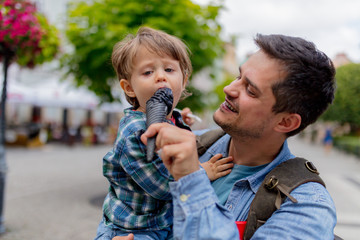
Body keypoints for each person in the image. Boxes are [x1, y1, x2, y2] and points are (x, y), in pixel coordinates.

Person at [138, 34, 337, 239]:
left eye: (250, 90)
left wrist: (191, 179)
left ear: (286, 122)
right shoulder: (187, 143)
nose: (229, 89)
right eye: (238, 77)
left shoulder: (307, 207)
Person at [95, 27, 233, 240]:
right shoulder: (134, 132)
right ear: (129, 87)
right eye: (148, 72)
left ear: (184, 80)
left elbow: (172, 123)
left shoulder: (171, 117)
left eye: (169, 70)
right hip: (133, 230)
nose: (160, 77)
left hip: (163, 225)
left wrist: (181, 120)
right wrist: (201, 172)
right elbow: (160, 186)